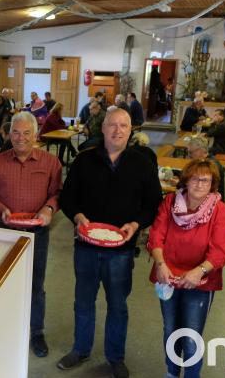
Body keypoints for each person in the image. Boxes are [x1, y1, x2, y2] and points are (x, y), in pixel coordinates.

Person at [57, 108, 162, 377]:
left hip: (121, 251)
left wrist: (136, 224)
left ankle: (115, 357)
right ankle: (81, 349)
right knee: (83, 301)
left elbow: (154, 204)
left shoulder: (142, 163)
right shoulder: (84, 160)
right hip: (86, 247)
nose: (117, 130)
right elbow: (67, 197)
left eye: (123, 126)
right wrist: (78, 216)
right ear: (102, 128)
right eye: (112, 125)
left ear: (131, 130)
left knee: (117, 305)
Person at [0, 112, 62, 359]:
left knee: (36, 285)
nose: (21, 138)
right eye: (15, 132)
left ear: (36, 134)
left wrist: (49, 209)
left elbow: (58, 194)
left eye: (27, 133)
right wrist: (0, 209)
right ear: (9, 134)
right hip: (6, 232)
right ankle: (6, 329)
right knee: (3, 283)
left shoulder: (51, 162)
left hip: (37, 233)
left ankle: (36, 332)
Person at [148, 159, 225, 378]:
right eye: (195, 178)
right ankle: (171, 372)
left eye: (206, 180)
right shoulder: (170, 202)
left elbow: (220, 250)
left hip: (200, 281)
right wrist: (160, 264)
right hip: (168, 276)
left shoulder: (219, 210)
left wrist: (199, 271)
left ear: (213, 184)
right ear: (186, 180)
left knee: (191, 336)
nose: (200, 184)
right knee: (170, 329)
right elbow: (156, 236)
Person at [187, 136, 225, 201]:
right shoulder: (205, 160)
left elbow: (199, 187)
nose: (189, 155)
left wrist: (180, 184)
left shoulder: (210, 166)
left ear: (200, 150)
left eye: (191, 152)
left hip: (212, 201)